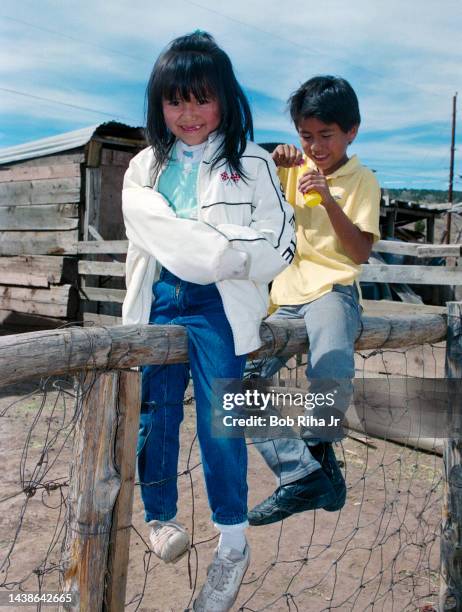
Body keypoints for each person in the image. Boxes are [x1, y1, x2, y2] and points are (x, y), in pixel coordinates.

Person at [121, 31, 295, 611]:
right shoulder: (146, 165)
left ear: (226, 98)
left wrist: (231, 256)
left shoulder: (252, 162)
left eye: (202, 98)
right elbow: (150, 231)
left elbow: (281, 240)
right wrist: (215, 246)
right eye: (175, 101)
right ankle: (160, 515)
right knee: (156, 405)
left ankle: (233, 535)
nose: (189, 114)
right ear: (158, 105)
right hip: (161, 295)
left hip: (220, 299)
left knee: (223, 411)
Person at [248, 75, 381, 526]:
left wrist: (328, 202)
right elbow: (248, 183)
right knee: (236, 382)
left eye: (326, 136)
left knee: (330, 357)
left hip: (332, 289)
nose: (316, 146)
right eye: (307, 137)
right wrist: (273, 156)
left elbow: (360, 252)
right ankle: (305, 473)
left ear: (351, 132)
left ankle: (317, 444)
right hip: (283, 298)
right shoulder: (291, 167)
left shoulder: (362, 180)